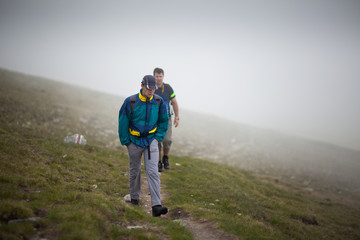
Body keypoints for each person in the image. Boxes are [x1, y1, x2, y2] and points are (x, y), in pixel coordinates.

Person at [118, 75, 169, 217]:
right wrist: (126, 141)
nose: (151, 91)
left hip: (151, 141)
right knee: (135, 171)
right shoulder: (131, 101)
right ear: (142, 86)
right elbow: (123, 120)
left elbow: (164, 121)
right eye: (149, 88)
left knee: (152, 171)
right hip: (133, 141)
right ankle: (135, 199)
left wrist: (157, 138)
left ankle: (156, 206)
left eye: (154, 88)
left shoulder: (159, 102)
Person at [153, 68, 180, 172]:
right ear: (154, 76)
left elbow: (174, 102)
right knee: (157, 141)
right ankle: (159, 162)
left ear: (163, 77)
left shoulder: (168, 88)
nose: (159, 78)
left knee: (167, 140)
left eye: (160, 76)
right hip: (154, 119)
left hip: (166, 118)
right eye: (157, 76)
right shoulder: (151, 88)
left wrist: (177, 117)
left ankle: (166, 158)